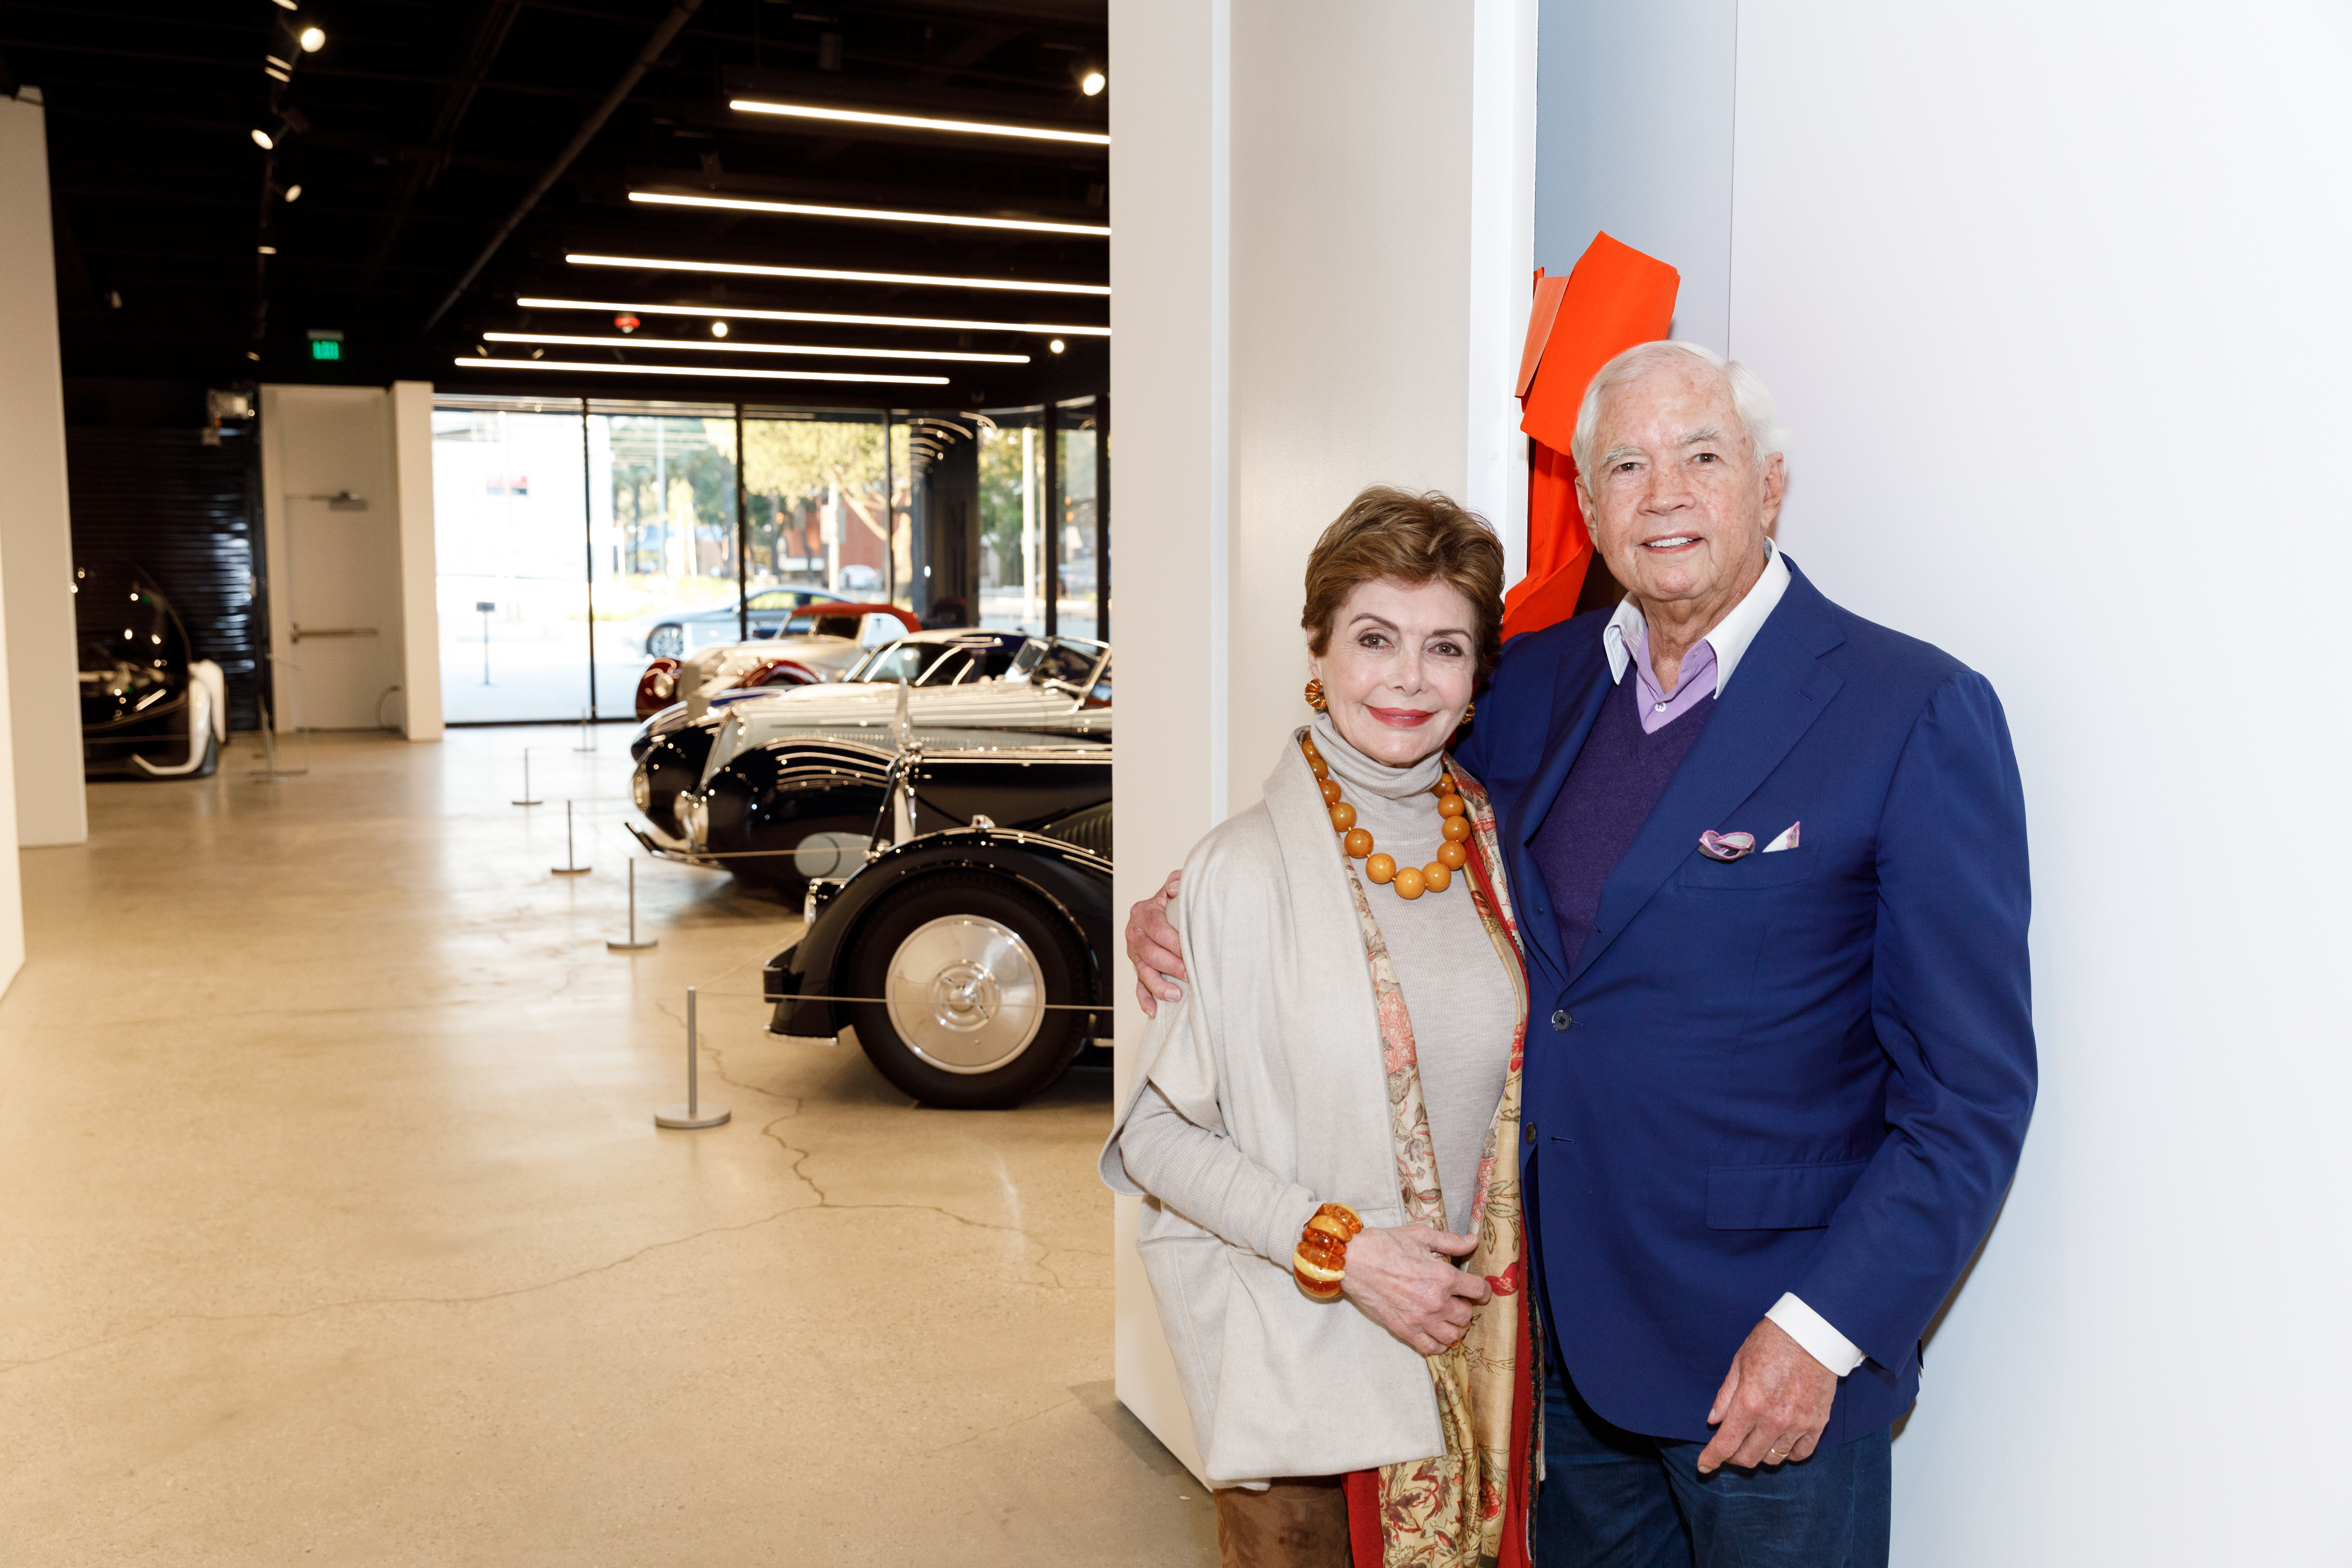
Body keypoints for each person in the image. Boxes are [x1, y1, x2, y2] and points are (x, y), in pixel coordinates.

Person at [1127, 342, 2037, 1567]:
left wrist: (1821, 1332)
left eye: (1699, 456)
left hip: (1765, 1368)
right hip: (1547, 1358)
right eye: (1625, 463)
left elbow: (1968, 1092)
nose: (1662, 492)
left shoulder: (1908, 708)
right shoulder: (1530, 684)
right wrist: (1196, 893)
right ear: (1591, 508)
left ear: (1767, 486)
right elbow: (1385, 801)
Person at [1100, 488, 1538, 1568]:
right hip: (1311, 1381)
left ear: (1477, 678)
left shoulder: (1507, 852)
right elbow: (1153, 1140)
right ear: (1320, 650)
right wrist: (1344, 1251)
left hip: (1491, 1373)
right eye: (1374, 639)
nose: (1406, 677)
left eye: (1444, 647)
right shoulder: (1238, 871)